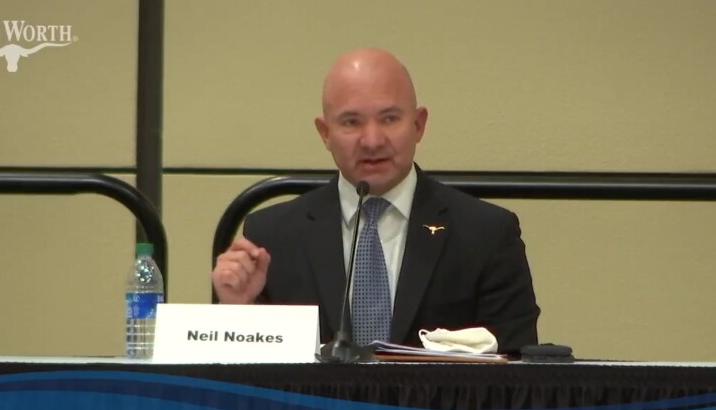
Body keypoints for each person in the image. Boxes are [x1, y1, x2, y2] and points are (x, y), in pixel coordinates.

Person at [212, 48, 540, 354]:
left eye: (389, 119)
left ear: (418, 124)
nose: (372, 140)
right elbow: (246, 385)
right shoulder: (272, 235)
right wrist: (238, 311)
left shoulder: (486, 234)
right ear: (325, 133)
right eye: (351, 122)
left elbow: (518, 371)